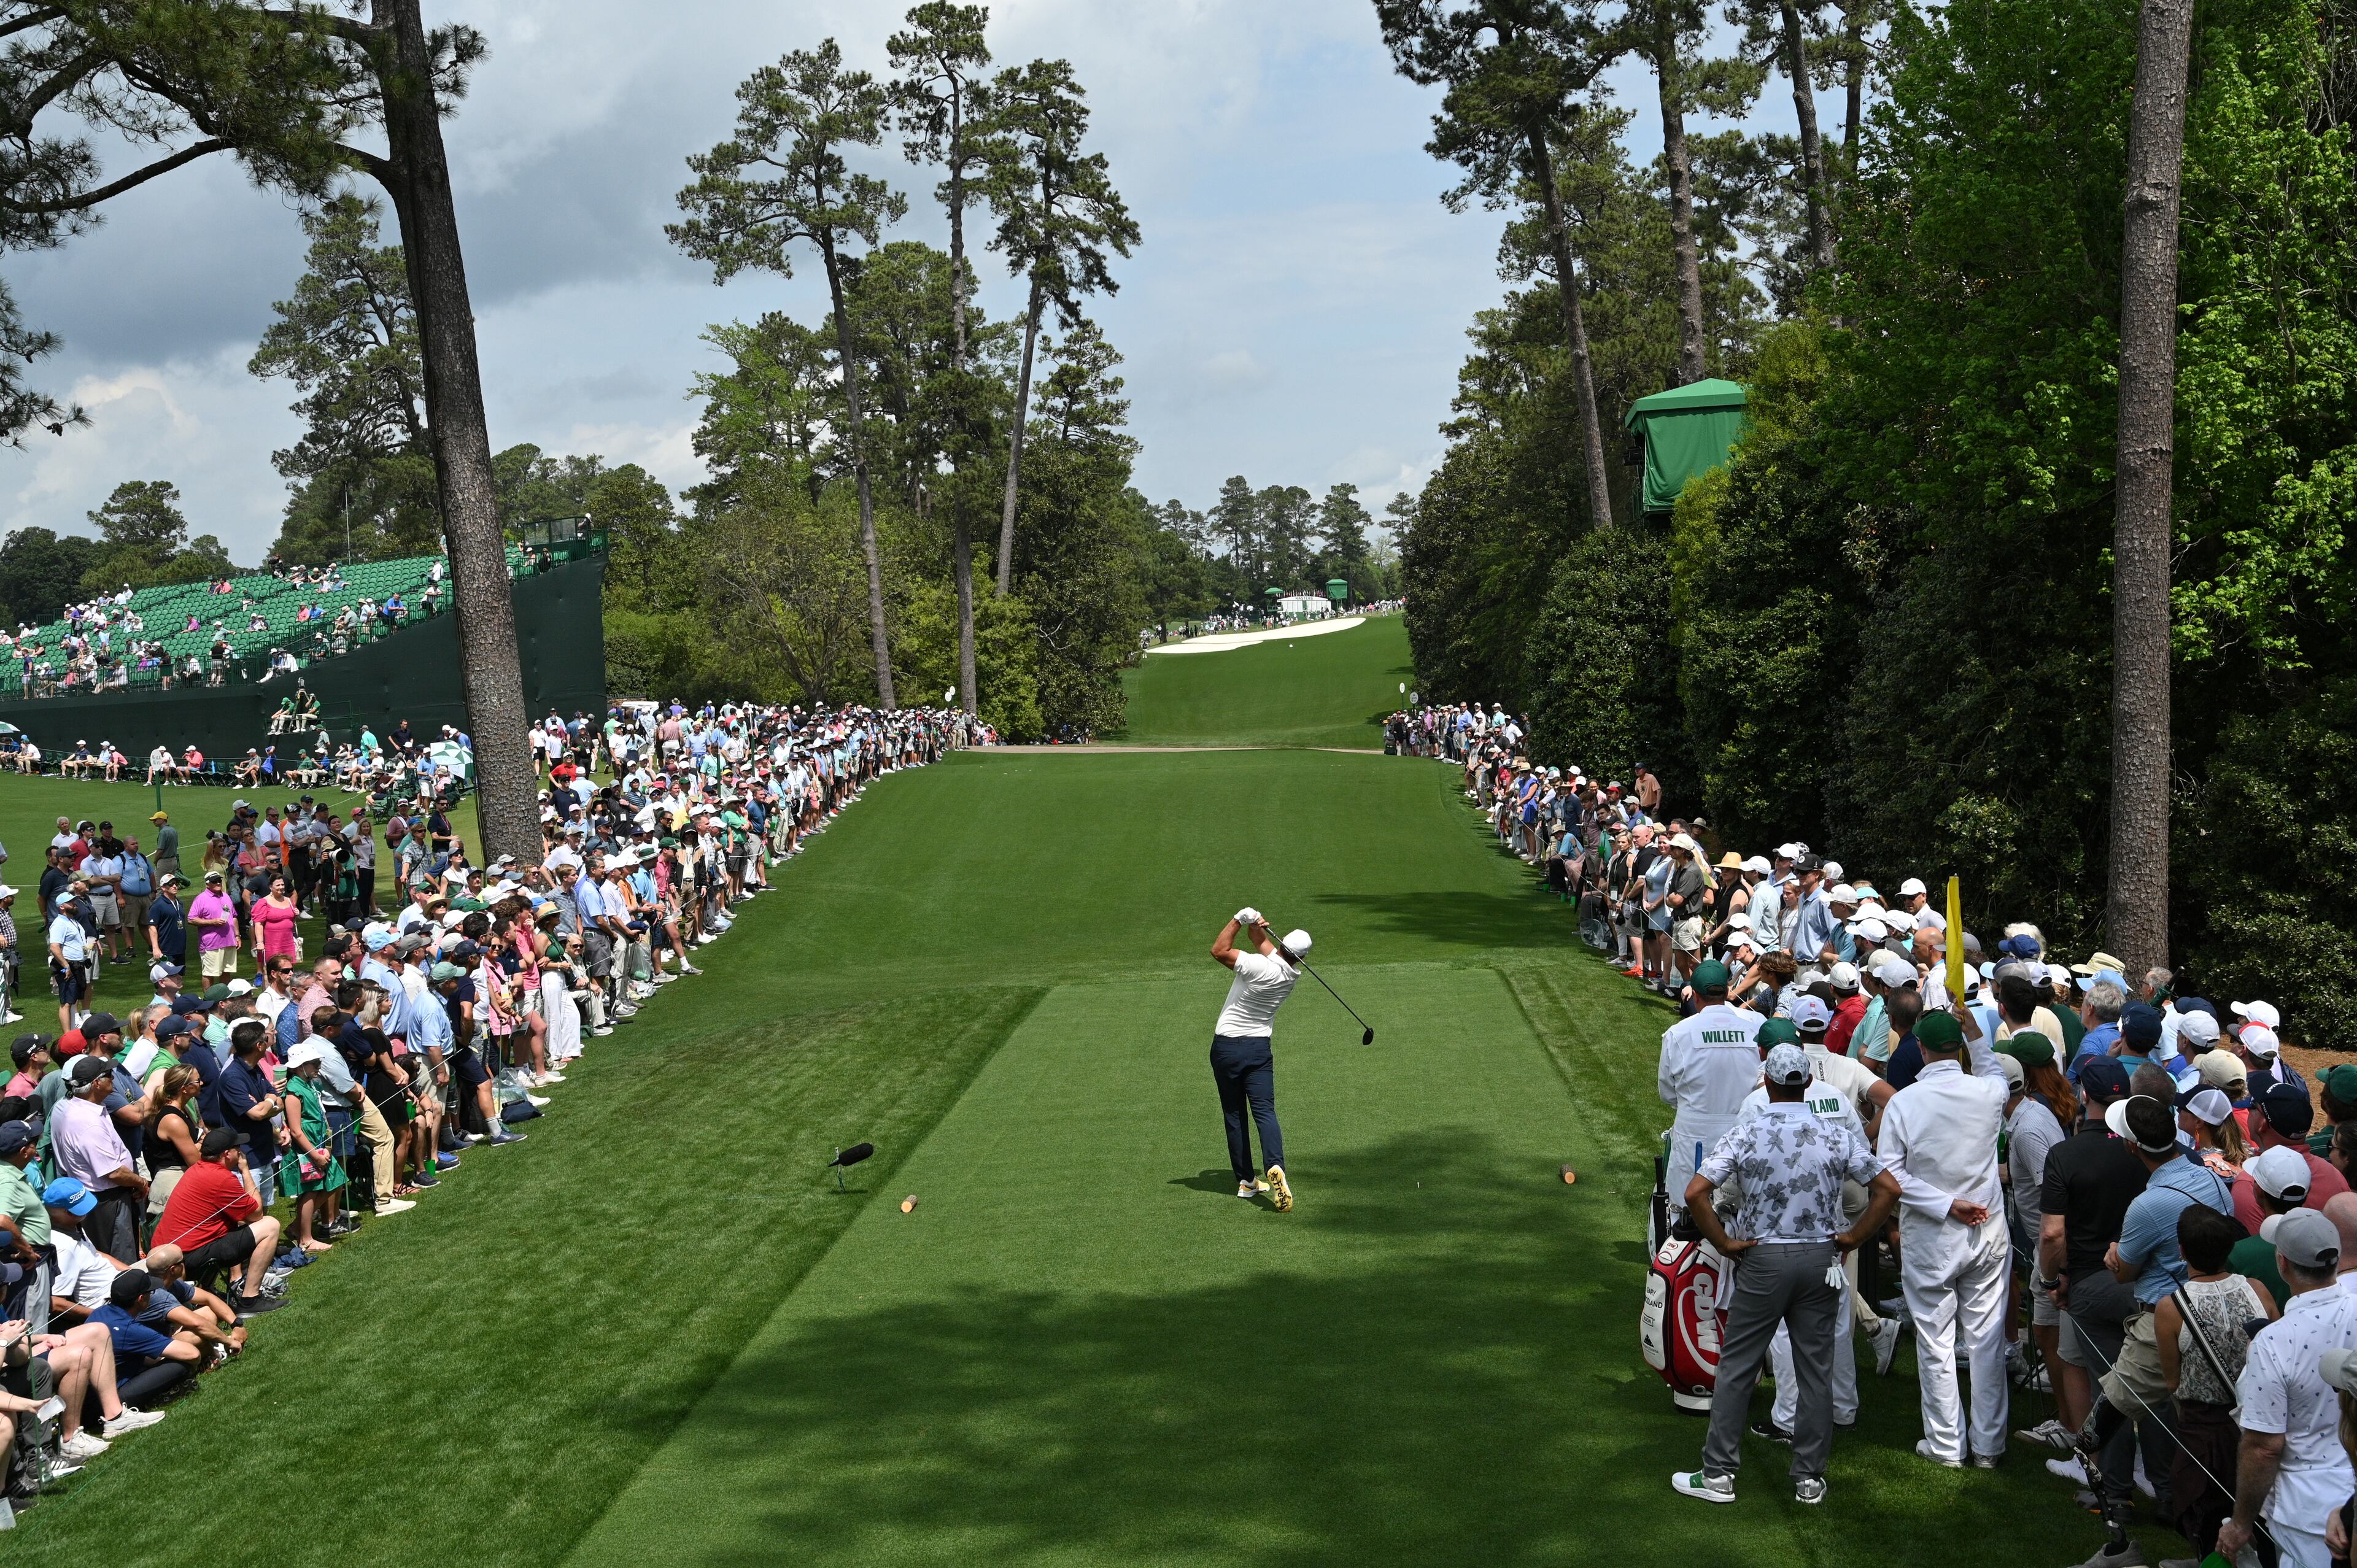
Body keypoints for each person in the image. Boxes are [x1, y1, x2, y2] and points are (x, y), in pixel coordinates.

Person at [1672, 1043, 1901, 1507]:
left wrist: (1723, 1241)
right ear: (1807, 1083)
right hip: (1821, 1260)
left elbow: (1697, 1192)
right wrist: (1854, 1237)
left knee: (1737, 1367)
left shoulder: (1749, 1130)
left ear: (1770, 1084)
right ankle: (1810, 1479)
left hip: (1762, 1260)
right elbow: (1888, 1188)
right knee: (1816, 1371)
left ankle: (1718, 1475)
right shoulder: (1835, 1132)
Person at [2069, 1092, 2237, 1567]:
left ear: (2129, 1145)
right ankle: (2175, 1508)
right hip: (2212, 1314)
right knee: (2190, 1422)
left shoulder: (2148, 1204)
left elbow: (2123, 1272)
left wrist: (2113, 1256)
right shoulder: (2211, 1179)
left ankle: (2119, 1508)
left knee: (2120, 1413)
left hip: (2163, 1318)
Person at [1878, 1009, 2011, 1468]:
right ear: (1957, 1048)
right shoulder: (1989, 1092)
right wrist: (1975, 1034)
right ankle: (1989, 1446)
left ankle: (1947, 1445)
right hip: (1986, 1233)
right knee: (1986, 1339)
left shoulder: (1905, 1102)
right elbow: (1992, 1066)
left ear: (1920, 1048)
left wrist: (1942, 1203)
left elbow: (1890, 1174)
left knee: (1935, 1339)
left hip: (1936, 1237)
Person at [2219, 1208, 2357, 1566]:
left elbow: (2264, 1447)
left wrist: (2239, 1524)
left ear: (2282, 1263)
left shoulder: (2273, 1341)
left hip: (2307, 1512)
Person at [2155, 1203, 2272, 1560]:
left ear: (2182, 1250)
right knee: (2259, 1524)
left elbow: (2173, 1381)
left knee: (2207, 1524)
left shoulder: (2171, 1307)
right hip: (2256, 1421)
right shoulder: (2258, 1290)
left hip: (2203, 1430)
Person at [1655, 959, 1766, 1218]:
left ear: (1694, 995)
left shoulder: (1678, 1033)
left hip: (1695, 1133)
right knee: (1745, 1206)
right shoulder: (1756, 1024)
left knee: (1686, 1210)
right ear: (1728, 991)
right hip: (1747, 1130)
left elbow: (1667, 1092)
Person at [1208, 910, 1301, 1213]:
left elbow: (1219, 951)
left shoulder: (1259, 966)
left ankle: (1247, 1182)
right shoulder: (1291, 974)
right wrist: (1255, 926)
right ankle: (1275, 1165)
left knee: (1235, 1114)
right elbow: (1261, 944)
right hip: (1259, 1051)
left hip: (1227, 1049)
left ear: (1283, 946)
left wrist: (1238, 919)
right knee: (1265, 1112)